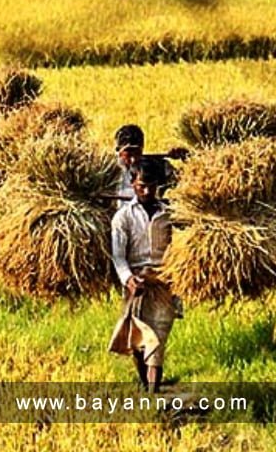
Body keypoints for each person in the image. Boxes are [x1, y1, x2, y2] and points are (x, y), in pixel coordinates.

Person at [108, 158, 182, 392]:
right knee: (138, 340)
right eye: (142, 186)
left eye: (152, 186)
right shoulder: (123, 218)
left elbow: (181, 245)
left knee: (157, 338)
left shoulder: (169, 214)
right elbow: (118, 256)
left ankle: (153, 392)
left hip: (163, 283)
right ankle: (145, 384)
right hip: (135, 284)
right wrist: (129, 280)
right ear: (132, 184)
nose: (147, 191)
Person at [114, 124, 186, 202]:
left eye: (137, 153)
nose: (133, 159)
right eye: (128, 155)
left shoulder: (158, 167)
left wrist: (187, 159)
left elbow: (185, 183)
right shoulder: (109, 172)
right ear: (118, 152)